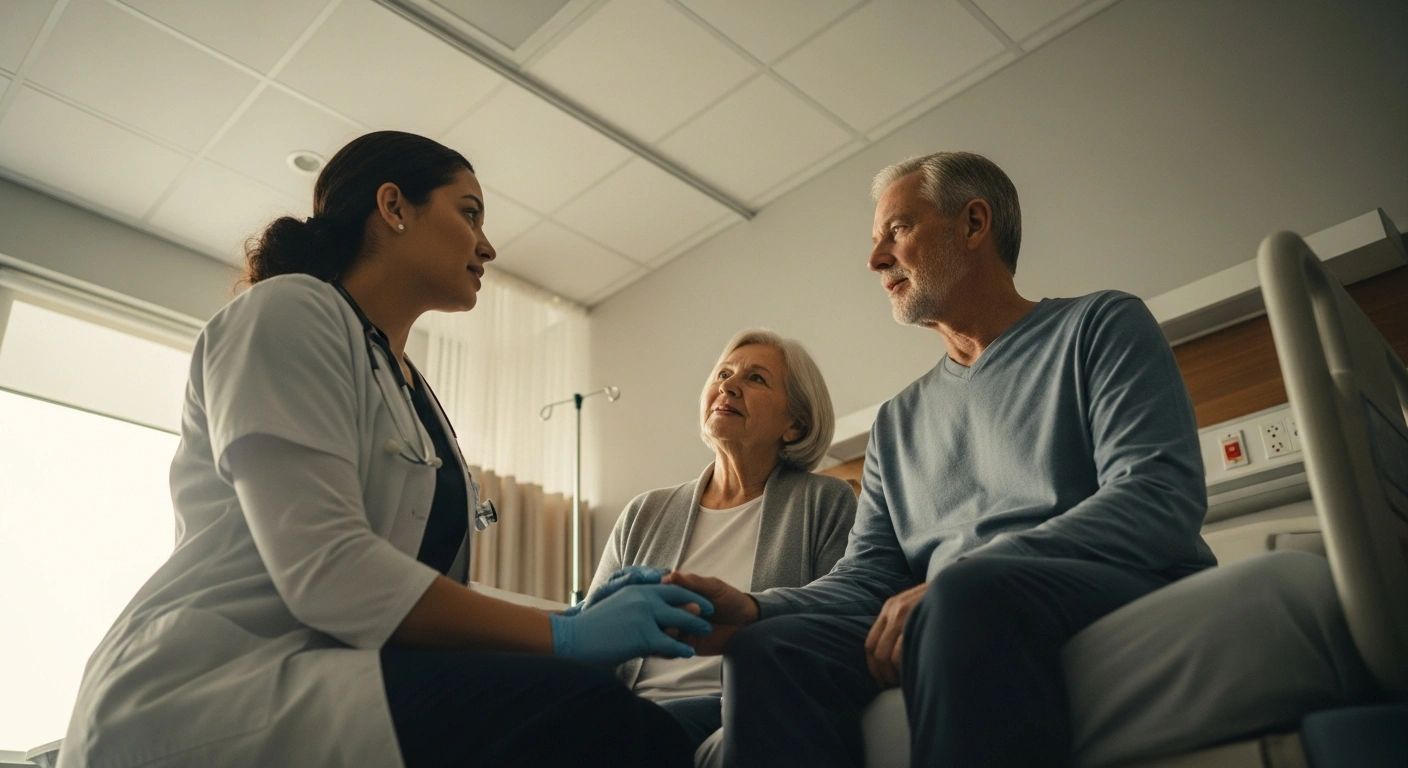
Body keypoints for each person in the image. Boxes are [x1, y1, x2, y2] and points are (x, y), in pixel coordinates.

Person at [55, 131, 711, 768]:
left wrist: (570, 614)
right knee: (588, 716)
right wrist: (564, 637)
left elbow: (422, 588)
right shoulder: (287, 312)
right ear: (394, 206)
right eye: (470, 212)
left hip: (336, 680)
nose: (487, 245)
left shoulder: (411, 389)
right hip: (206, 693)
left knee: (618, 718)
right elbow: (331, 569)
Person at [666, 151, 1217, 767]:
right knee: (768, 649)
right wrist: (761, 608)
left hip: (1076, 586)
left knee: (963, 599)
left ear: (974, 224)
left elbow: (1155, 496)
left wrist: (957, 578)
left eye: (896, 231)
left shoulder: (1099, 326)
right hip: (963, 604)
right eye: (876, 241)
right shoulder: (898, 421)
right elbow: (870, 577)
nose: (875, 260)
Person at [592, 328, 857, 750]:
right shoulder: (645, 512)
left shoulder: (825, 501)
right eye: (722, 374)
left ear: (795, 425)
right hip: (627, 707)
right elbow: (596, 631)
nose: (728, 386)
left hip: (736, 705)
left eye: (755, 379)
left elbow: (838, 622)